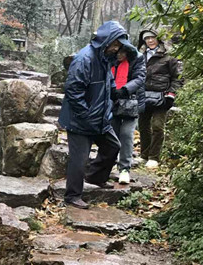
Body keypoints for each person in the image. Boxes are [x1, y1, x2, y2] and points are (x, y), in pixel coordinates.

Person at [59, 21, 138, 209]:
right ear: (106, 40)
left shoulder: (105, 58)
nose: (117, 48)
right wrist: (85, 115)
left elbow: (108, 81)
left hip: (100, 118)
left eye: (119, 45)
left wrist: (115, 94)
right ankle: (72, 196)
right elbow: (73, 91)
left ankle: (96, 177)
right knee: (79, 160)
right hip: (80, 120)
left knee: (113, 146)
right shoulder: (84, 59)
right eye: (115, 44)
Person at [137, 29, 183, 168]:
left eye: (152, 37)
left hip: (161, 96)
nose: (150, 40)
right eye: (147, 38)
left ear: (159, 39)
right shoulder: (140, 55)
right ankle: (144, 155)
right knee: (143, 126)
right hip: (143, 95)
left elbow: (178, 77)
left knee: (157, 126)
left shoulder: (169, 56)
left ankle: (154, 157)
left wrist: (171, 95)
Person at [110, 46, 146, 184]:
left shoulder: (137, 58)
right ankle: (108, 165)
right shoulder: (109, 58)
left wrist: (125, 89)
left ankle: (124, 168)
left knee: (126, 134)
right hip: (113, 101)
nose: (119, 55)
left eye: (122, 52)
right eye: (117, 52)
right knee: (112, 134)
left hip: (131, 102)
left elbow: (140, 78)